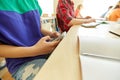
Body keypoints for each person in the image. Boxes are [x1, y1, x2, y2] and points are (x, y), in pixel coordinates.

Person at [0, 0, 60, 80]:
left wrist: (51, 34)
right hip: (22, 63)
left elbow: (38, 28)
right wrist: (35, 50)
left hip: (46, 52)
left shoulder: (33, 1)